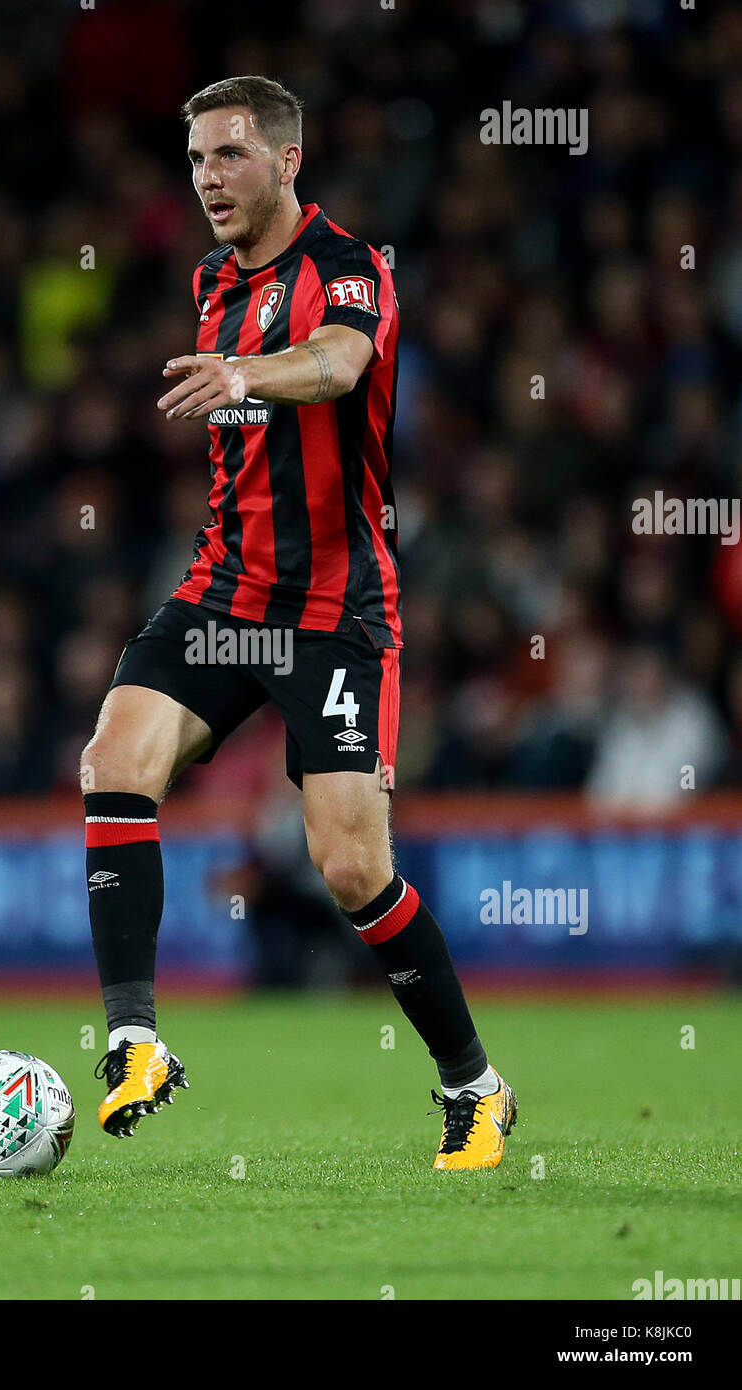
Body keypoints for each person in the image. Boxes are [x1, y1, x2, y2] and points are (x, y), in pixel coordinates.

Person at [80, 76, 516, 1170]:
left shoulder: (350, 271)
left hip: (334, 610)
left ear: (287, 159)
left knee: (352, 865)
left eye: (228, 155)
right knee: (113, 758)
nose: (207, 179)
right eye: (194, 161)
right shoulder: (210, 282)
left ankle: (476, 1086)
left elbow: (339, 365)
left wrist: (244, 373)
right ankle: (135, 1038)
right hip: (227, 588)